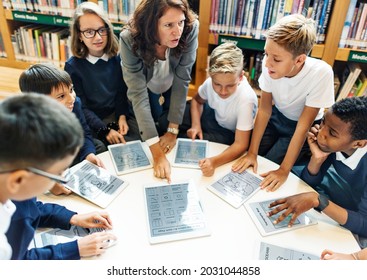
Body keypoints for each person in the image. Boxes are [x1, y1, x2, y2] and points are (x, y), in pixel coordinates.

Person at [1, 94, 115, 260]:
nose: (63, 179)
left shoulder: (11, 183)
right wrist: (75, 249)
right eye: (59, 174)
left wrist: (72, 217)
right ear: (18, 180)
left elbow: (30, 207)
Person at [232, 14, 334, 191]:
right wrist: (251, 153)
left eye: (276, 59)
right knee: (247, 159)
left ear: (300, 59)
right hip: (276, 117)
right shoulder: (269, 64)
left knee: (268, 167)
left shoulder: (321, 73)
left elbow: (303, 126)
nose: (267, 63)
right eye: (266, 54)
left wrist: (284, 170)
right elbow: (264, 111)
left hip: (300, 126)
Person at [266, 96, 367, 247]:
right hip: (340, 198)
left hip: (354, 213)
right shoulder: (334, 142)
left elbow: (364, 225)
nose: (321, 133)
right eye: (324, 122)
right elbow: (308, 183)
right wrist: (317, 159)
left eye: (332, 133)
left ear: (358, 143)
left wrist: (319, 200)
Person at [120, 0, 199, 182]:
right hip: (146, 85)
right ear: (150, 25)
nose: (177, 31)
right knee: (146, 122)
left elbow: (183, 79)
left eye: (180, 22)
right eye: (168, 25)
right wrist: (157, 154)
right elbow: (138, 95)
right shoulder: (129, 38)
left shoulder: (190, 28)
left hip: (171, 82)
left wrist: (172, 131)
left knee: (171, 123)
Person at [19, 63, 104, 196]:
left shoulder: (74, 104)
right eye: (61, 96)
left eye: (71, 90)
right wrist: (50, 183)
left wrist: (88, 154)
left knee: (97, 147)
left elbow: (83, 132)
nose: (72, 99)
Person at [66, 1, 140, 147]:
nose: (98, 37)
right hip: (91, 118)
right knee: (101, 147)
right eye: (89, 32)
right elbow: (81, 106)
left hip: (116, 112)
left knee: (137, 138)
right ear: (79, 36)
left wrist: (122, 117)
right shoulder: (72, 66)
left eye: (101, 30)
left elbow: (121, 92)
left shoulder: (117, 58)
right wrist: (105, 130)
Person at [185, 42, 258, 176]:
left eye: (230, 85)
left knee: (207, 142)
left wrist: (214, 162)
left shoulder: (247, 99)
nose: (223, 91)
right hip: (212, 115)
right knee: (179, 118)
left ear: (241, 76)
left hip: (229, 132)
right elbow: (196, 100)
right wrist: (196, 125)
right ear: (210, 76)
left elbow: (241, 144)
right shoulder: (209, 83)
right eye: (217, 84)